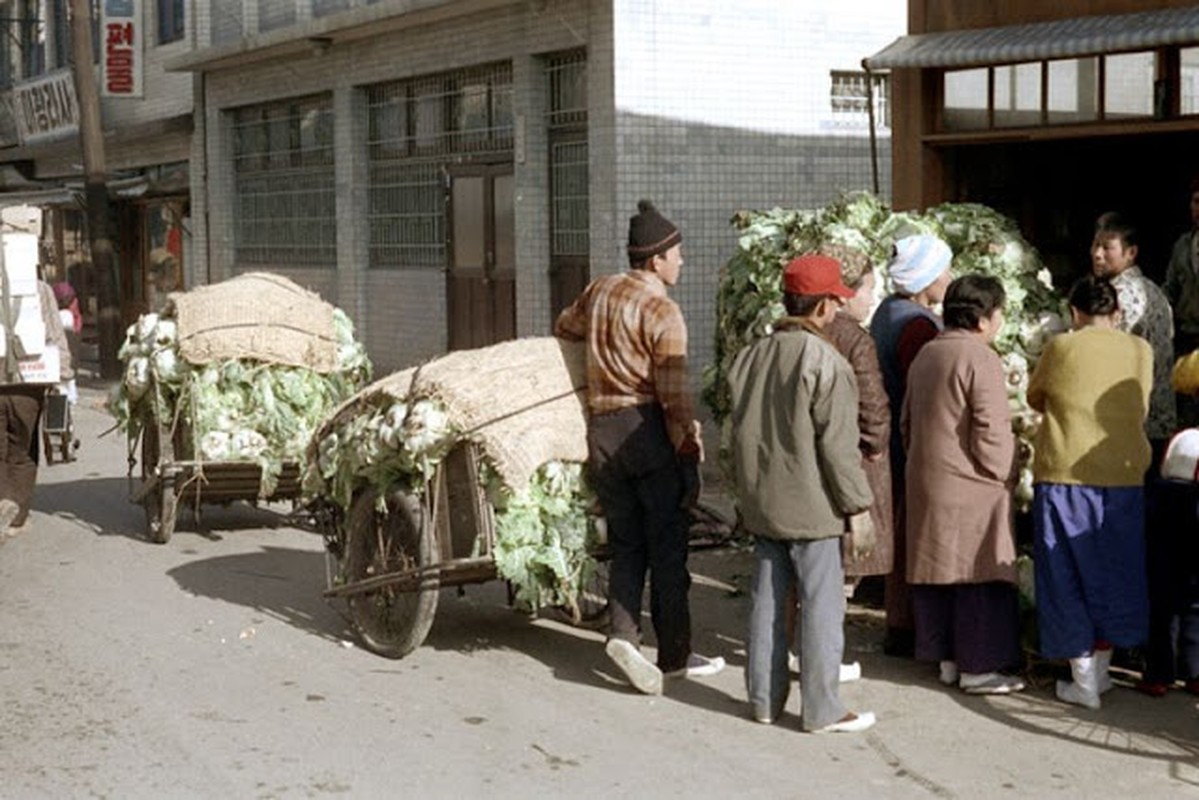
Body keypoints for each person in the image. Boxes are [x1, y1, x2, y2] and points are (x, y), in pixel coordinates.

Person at [554, 199, 724, 695]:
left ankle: (623, 634)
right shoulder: (663, 312)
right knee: (668, 548)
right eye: (678, 254)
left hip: (602, 431)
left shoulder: (600, 290)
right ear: (656, 261)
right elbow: (673, 397)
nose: (682, 262)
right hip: (646, 429)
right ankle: (673, 656)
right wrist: (686, 446)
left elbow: (565, 328)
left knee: (626, 541)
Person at [729, 253, 877, 734]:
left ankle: (764, 700)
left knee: (767, 601)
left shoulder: (751, 355)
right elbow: (838, 448)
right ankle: (822, 708)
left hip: (762, 500)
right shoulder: (826, 362)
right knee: (822, 606)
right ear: (821, 307)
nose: (838, 310)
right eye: (835, 300)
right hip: (813, 507)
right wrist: (858, 506)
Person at [1027, 275, 1153, 710]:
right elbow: (1144, 403)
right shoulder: (1141, 350)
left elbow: (1036, 396)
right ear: (1116, 314)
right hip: (1124, 475)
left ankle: (1082, 681)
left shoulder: (1062, 346)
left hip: (1065, 472)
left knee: (1066, 570)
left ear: (1074, 312)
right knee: (1117, 571)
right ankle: (1100, 674)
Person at [902, 274, 1025, 695]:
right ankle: (979, 668)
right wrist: (1005, 471)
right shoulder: (981, 358)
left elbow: (906, 422)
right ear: (985, 318)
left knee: (942, 574)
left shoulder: (927, 354)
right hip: (972, 486)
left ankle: (949, 661)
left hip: (929, 477)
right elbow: (991, 430)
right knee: (978, 575)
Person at [869, 234, 954, 657]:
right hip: (909, 443)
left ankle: (900, 623)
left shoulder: (887, 311)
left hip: (893, 440)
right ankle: (910, 628)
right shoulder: (915, 326)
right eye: (945, 270)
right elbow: (925, 391)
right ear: (927, 278)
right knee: (910, 535)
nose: (949, 277)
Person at [823, 244, 892, 589]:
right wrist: (876, 445)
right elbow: (872, 406)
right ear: (846, 293)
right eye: (868, 289)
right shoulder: (856, 341)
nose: (872, 298)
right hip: (852, 465)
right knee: (839, 574)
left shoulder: (800, 329)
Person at [1092, 212, 1176, 465]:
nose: (1097, 254)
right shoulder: (1154, 291)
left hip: (1131, 424)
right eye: (1096, 245)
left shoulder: (1121, 296)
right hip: (1157, 420)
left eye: (1107, 247)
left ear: (1131, 253)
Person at [1, 275, 73, 537]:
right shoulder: (39, 289)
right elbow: (54, 333)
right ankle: (16, 518)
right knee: (22, 450)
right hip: (28, 384)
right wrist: (63, 374)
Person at [1163, 178, 1199, 427]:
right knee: (1188, 410)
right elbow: (1170, 288)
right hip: (1188, 336)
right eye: (1197, 201)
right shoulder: (1183, 245)